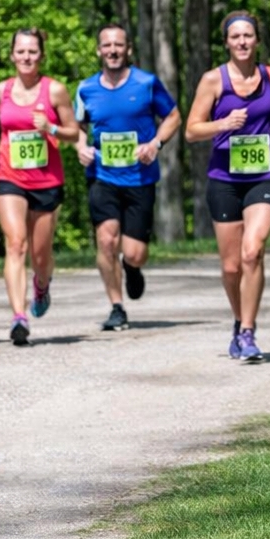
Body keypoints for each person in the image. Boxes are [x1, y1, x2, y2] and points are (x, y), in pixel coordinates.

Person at [184, 10, 270, 363]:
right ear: (227, 43)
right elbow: (191, 130)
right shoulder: (213, 81)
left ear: (257, 40)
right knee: (231, 266)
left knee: (253, 250)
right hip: (225, 179)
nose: (242, 42)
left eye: (248, 36)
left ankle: (248, 332)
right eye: (236, 37)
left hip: (266, 173)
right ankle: (237, 320)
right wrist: (223, 123)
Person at [74, 24, 181, 332]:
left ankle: (132, 268)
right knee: (106, 240)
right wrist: (81, 147)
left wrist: (155, 144)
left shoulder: (146, 83)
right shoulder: (85, 89)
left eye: (118, 45)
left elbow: (173, 116)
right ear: (98, 50)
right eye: (106, 45)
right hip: (102, 176)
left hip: (140, 177)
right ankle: (116, 307)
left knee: (134, 252)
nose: (112, 50)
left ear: (128, 49)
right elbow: (78, 125)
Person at [0, 29, 80, 345]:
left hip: (46, 180)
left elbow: (73, 132)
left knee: (40, 255)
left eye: (32, 52)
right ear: (12, 55)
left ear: (41, 55)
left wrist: (50, 127)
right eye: (21, 52)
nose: (26, 57)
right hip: (8, 175)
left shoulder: (55, 91)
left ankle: (42, 283)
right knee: (15, 243)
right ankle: (18, 317)